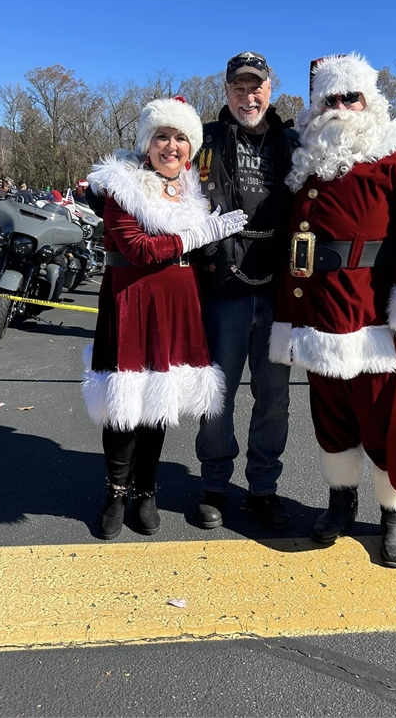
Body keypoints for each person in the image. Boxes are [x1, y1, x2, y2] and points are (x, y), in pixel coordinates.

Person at [269, 53, 396, 568]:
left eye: (349, 97)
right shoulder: (307, 153)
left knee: (381, 412)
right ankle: (341, 498)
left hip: (372, 304)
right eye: (329, 99)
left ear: (369, 100)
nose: (339, 108)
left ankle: (393, 511)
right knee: (329, 410)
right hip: (315, 302)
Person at [82, 97, 247, 540]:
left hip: (178, 304)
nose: (170, 146)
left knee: (159, 398)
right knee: (123, 403)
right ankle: (116, 489)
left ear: (190, 148)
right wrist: (196, 234)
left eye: (179, 138)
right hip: (131, 300)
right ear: (147, 141)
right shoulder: (123, 185)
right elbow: (135, 249)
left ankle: (145, 490)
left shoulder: (193, 189)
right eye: (161, 136)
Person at [194, 51, 300, 532]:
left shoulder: (293, 143)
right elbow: (160, 174)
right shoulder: (204, 139)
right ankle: (215, 482)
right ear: (226, 91)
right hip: (223, 287)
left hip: (279, 289)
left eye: (256, 86)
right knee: (216, 393)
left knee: (273, 396)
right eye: (239, 87)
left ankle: (263, 487)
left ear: (270, 90)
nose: (248, 95)